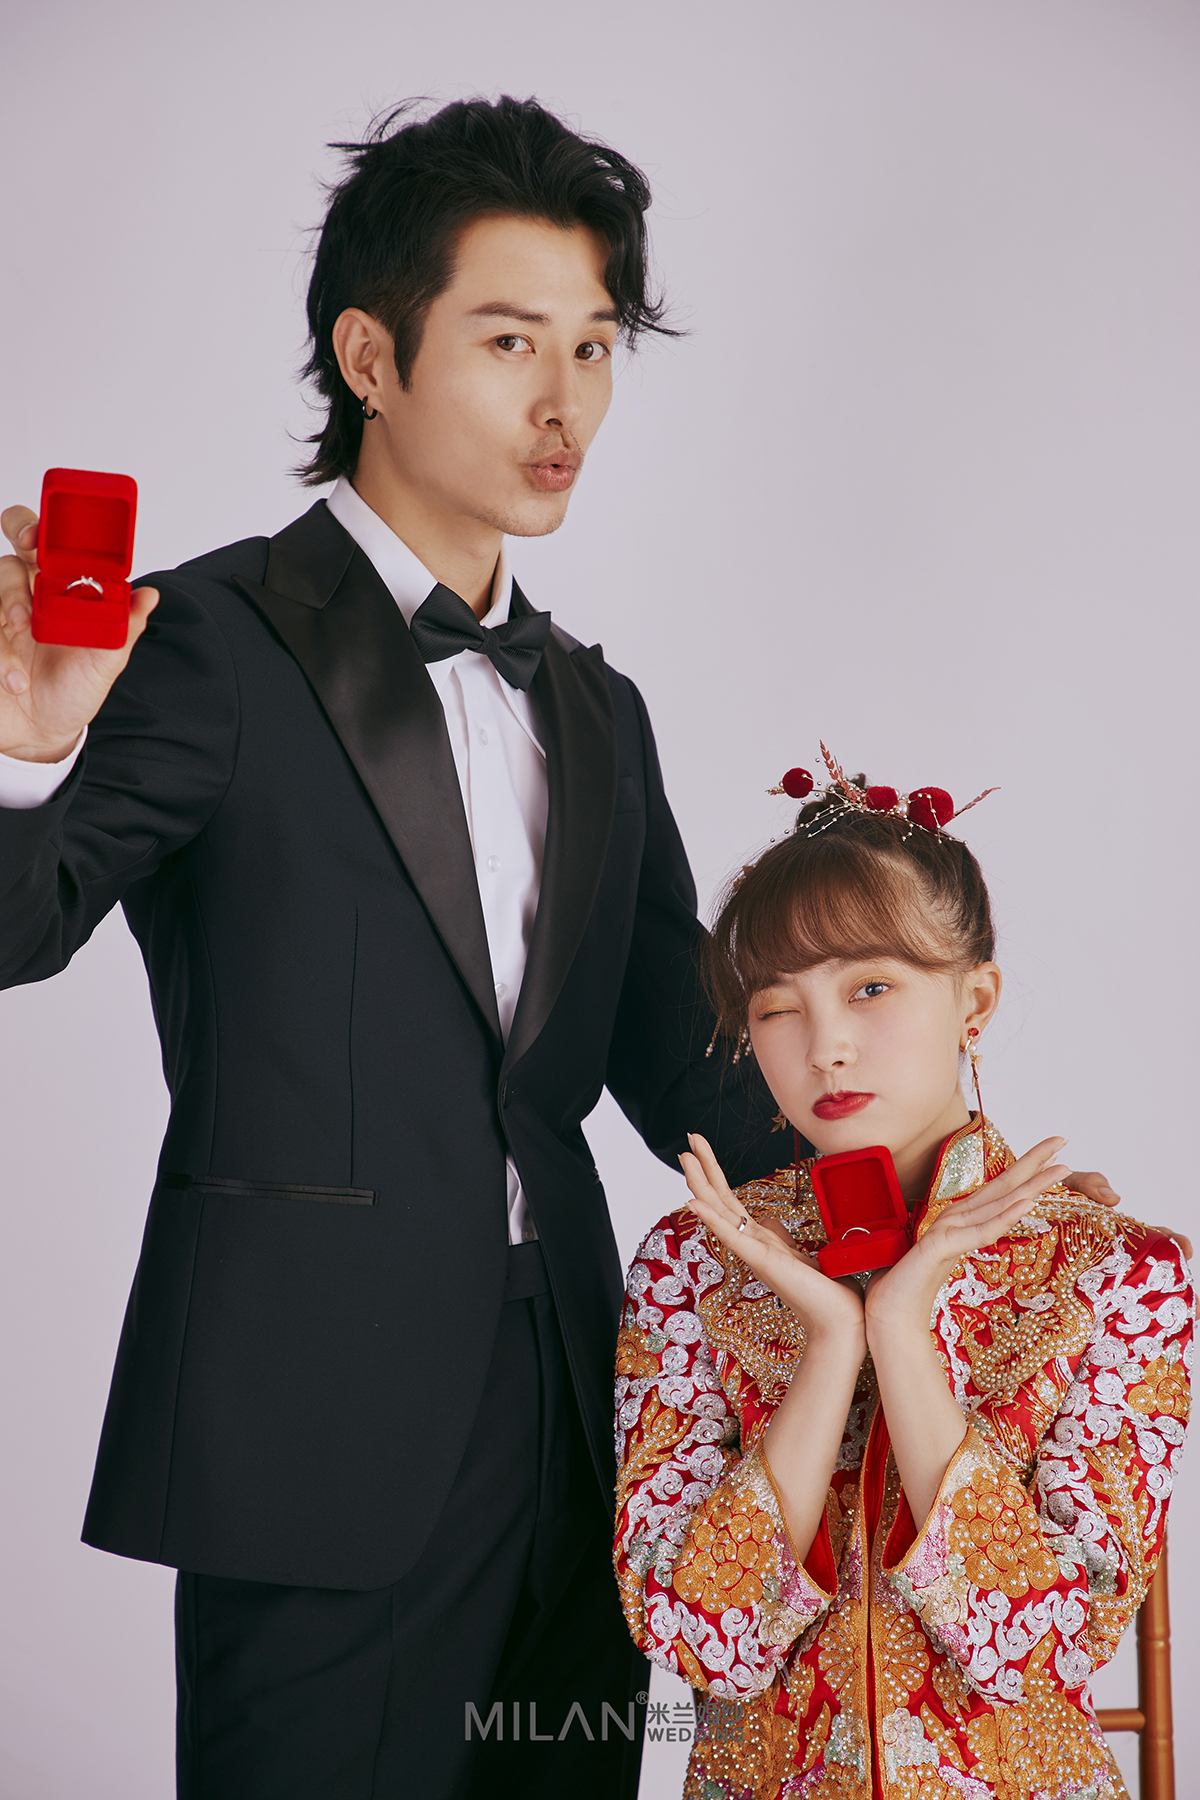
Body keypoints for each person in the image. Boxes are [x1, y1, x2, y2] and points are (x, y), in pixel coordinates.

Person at [0, 97, 796, 1800]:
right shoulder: (208, 639)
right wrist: (22, 755)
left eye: (593, 346)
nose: (564, 401)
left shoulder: (598, 708)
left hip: (579, 1423)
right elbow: (21, 925)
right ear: (371, 355)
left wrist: (932, 1189)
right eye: (510, 342)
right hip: (312, 1432)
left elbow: (684, 1070)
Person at [613, 754, 1193, 1800]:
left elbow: (1031, 1648)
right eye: (777, 1007)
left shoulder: (1117, 1274)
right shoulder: (693, 1265)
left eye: (870, 988)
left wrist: (902, 1329)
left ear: (976, 1000)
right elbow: (698, 1637)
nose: (825, 1046)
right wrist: (831, 1344)